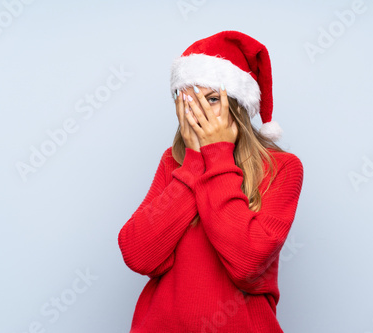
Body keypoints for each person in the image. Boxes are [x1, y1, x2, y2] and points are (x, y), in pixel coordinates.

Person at [118, 30, 304, 332]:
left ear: (237, 105)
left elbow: (247, 264)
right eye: (190, 101)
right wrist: (193, 162)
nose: (200, 113)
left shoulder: (282, 168)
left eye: (213, 99)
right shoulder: (173, 162)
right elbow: (139, 255)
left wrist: (217, 154)